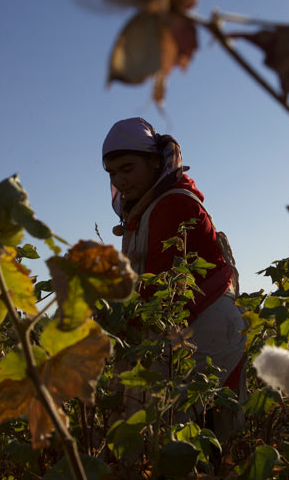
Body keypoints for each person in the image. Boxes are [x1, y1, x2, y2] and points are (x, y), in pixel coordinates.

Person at [102, 117, 246, 393]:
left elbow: (156, 288)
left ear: (155, 162)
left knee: (183, 424)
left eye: (127, 169)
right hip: (186, 328)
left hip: (206, 330)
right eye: (112, 173)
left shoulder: (173, 204)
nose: (120, 180)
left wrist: (110, 321)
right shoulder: (149, 207)